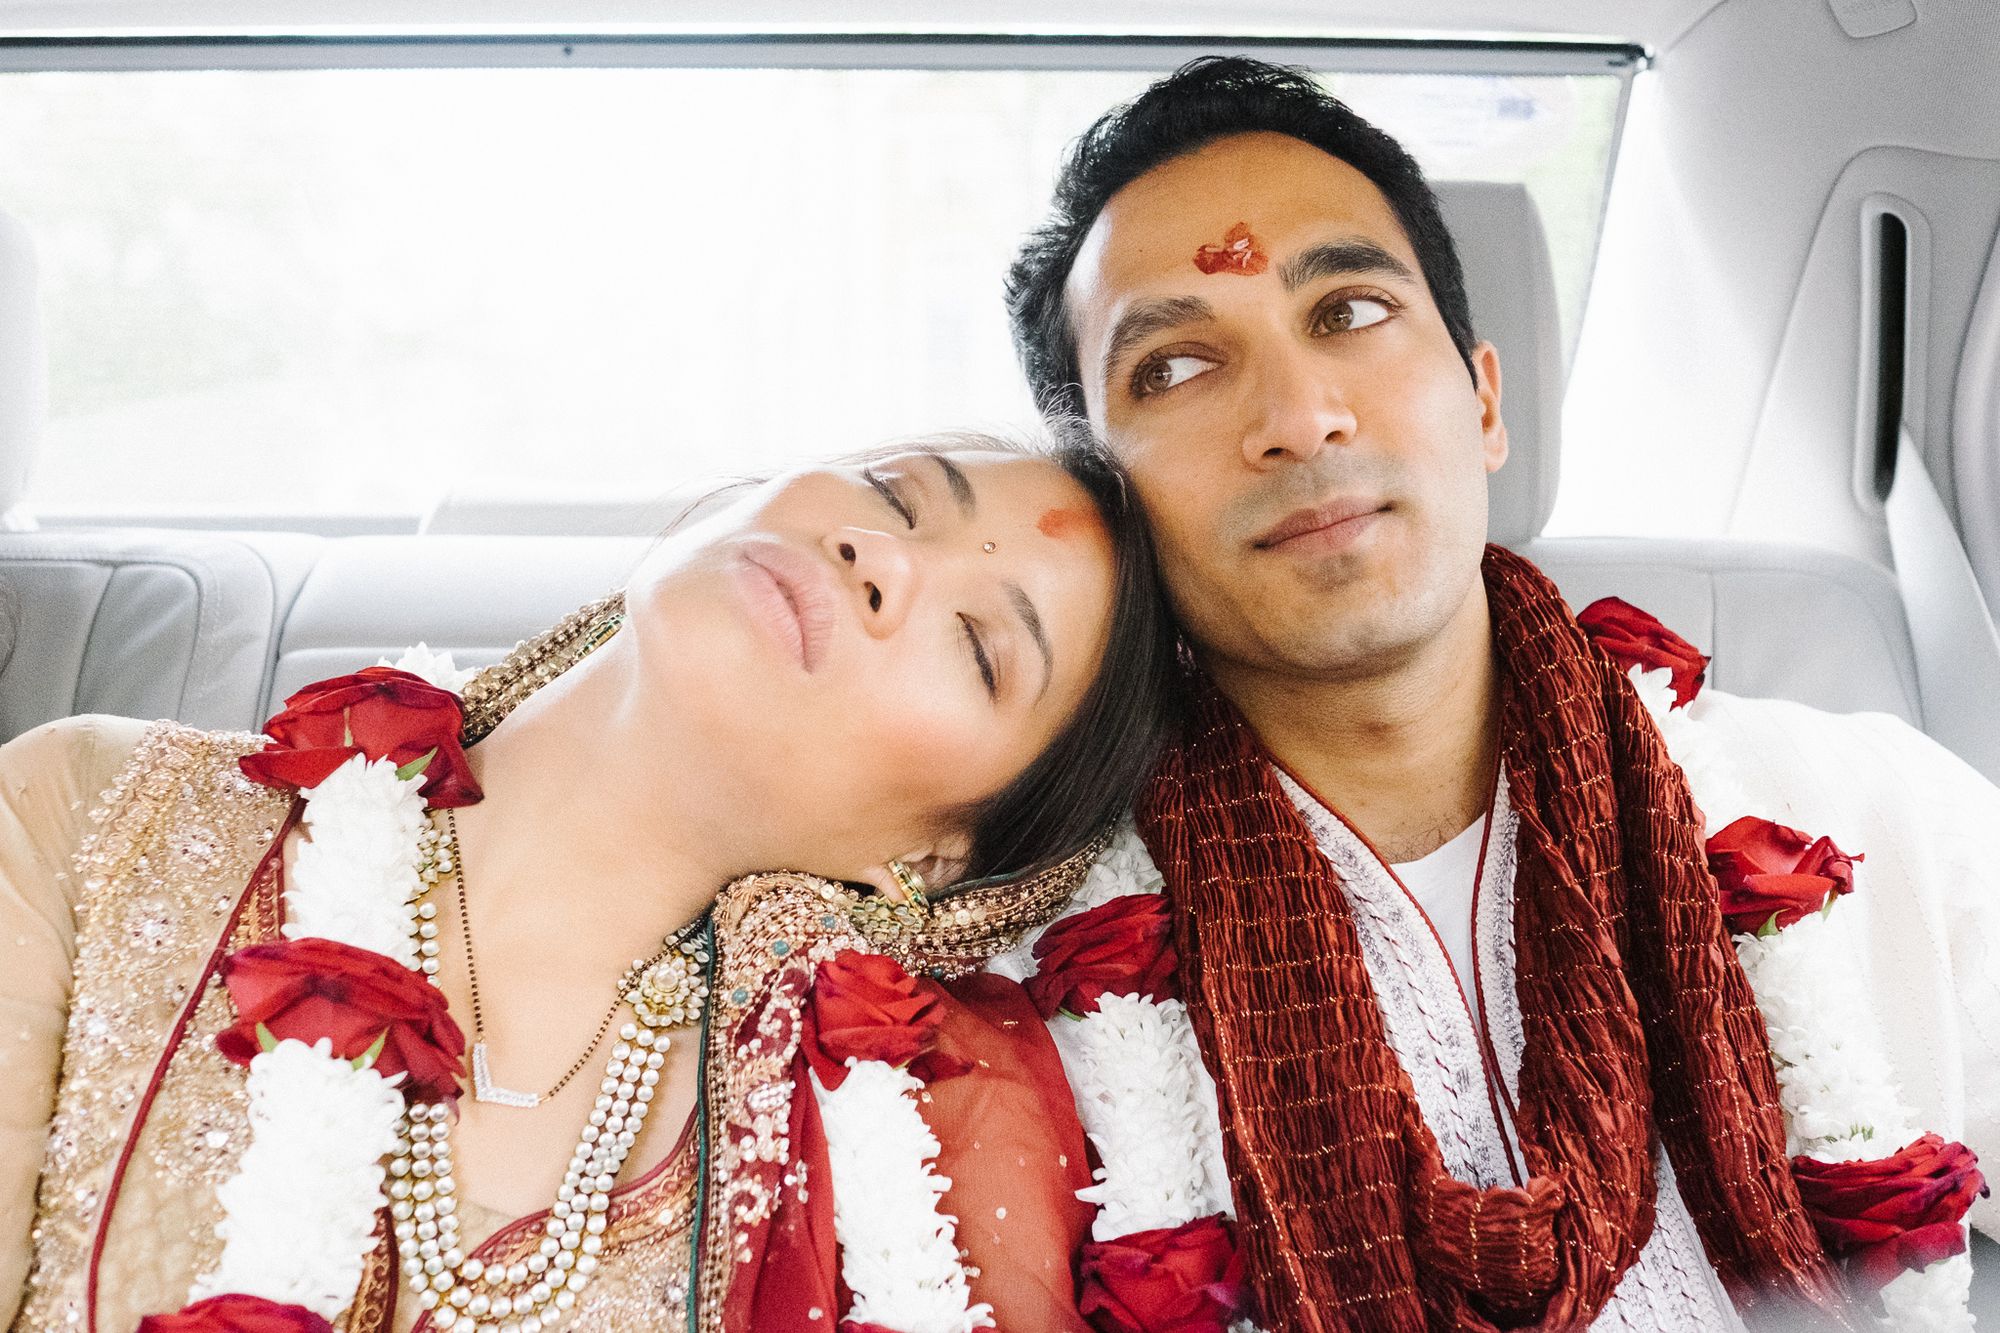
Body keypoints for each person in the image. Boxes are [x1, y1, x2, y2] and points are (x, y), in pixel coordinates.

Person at [1001, 56, 2000, 1332]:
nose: (1300, 418)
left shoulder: (1865, 814)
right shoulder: (1042, 964)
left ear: (1481, 397)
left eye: (1349, 312)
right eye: (1177, 369)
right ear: (1107, 507)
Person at [0, 428, 1179, 1333]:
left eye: (979, 647)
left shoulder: (874, 1172)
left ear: (933, 859)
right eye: (896, 495)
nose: (883, 560)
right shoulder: (92, 812)